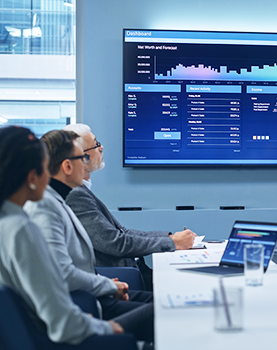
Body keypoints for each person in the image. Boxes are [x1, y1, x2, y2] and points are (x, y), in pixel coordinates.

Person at [24, 129, 154, 345]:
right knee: (166, 310)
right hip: (85, 305)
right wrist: (108, 287)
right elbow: (63, 272)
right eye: (82, 158)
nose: (86, 164)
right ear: (67, 166)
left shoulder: (58, 201)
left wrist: (103, 283)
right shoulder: (46, 208)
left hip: (90, 296)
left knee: (164, 304)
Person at [0, 126, 124, 346]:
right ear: (32, 176)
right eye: (45, 168)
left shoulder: (8, 223)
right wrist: (105, 327)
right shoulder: (22, 229)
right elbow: (63, 324)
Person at [63, 123, 196, 290]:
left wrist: (169, 237)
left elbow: (122, 232)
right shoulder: (75, 194)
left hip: (128, 272)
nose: (101, 147)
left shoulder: (82, 190)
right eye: (96, 144)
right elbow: (114, 242)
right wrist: (171, 242)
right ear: (82, 158)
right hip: (119, 278)